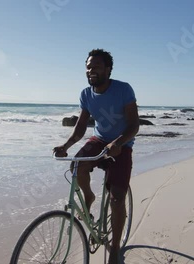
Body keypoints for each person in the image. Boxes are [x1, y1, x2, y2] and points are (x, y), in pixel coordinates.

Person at [53, 49, 139, 264]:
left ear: (108, 70)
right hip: (99, 140)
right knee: (76, 166)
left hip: (122, 144)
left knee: (117, 198)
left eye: (97, 66)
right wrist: (66, 145)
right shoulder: (86, 94)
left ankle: (115, 250)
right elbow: (81, 126)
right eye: (89, 66)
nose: (91, 70)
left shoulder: (123, 90)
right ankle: (89, 196)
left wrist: (118, 143)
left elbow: (134, 124)